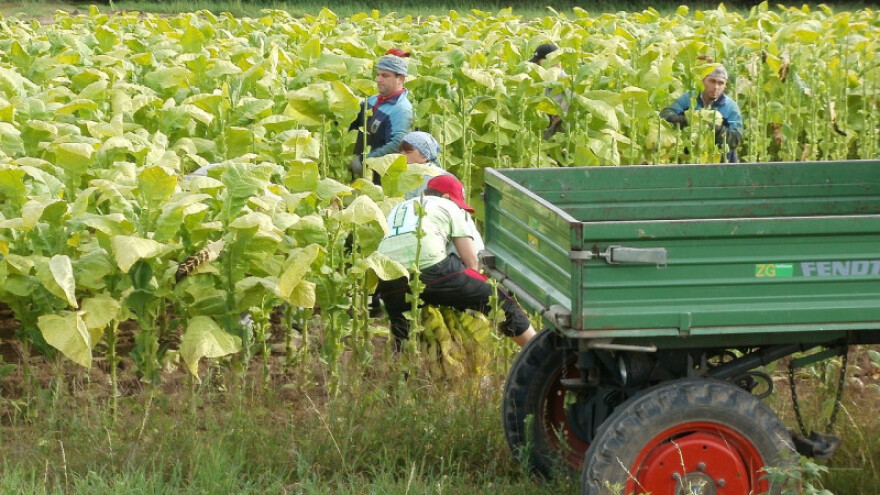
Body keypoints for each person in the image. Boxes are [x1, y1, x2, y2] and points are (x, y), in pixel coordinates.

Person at [377, 174, 536, 350]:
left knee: (403, 335)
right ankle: (539, 353)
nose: (459, 209)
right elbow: (471, 263)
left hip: (389, 276)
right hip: (433, 269)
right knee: (501, 304)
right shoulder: (447, 205)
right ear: (446, 197)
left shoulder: (399, 207)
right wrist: (466, 299)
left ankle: (404, 371)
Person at [659, 63, 744, 163]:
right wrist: (682, 120)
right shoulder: (689, 98)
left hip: (722, 163)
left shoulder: (730, 106)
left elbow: (736, 138)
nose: (716, 87)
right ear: (703, 81)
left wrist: (716, 130)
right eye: (712, 81)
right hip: (689, 160)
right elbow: (665, 114)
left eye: (720, 83)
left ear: (725, 85)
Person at [349, 53, 414, 183]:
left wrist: (366, 160)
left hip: (383, 176)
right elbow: (354, 120)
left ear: (400, 79)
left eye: (385, 76)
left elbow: (397, 144)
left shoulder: (401, 109)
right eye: (378, 74)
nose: (379, 79)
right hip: (364, 171)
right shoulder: (373, 100)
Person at [529, 43, 569, 139]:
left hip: (559, 136)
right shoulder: (545, 79)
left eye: (539, 61)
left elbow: (562, 115)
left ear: (553, 61)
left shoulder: (567, 83)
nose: (537, 64)